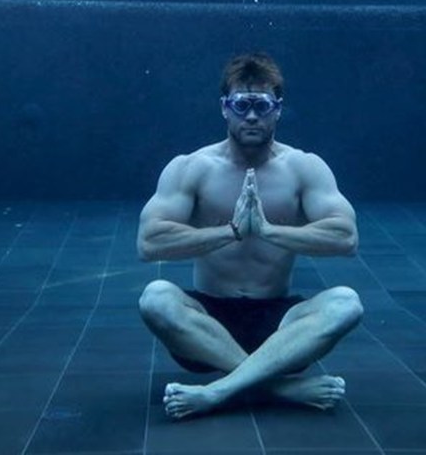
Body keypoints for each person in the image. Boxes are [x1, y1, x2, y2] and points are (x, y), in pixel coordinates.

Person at [137, 52, 363, 419]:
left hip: (279, 326)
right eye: (242, 105)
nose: (252, 116)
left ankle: (220, 390)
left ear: (278, 109)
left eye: (262, 105)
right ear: (224, 108)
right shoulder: (191, 168)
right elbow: (149, 242)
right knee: (155, 298)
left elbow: (346, 237)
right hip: (207, 322)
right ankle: (279, 388)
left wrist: (270, 231)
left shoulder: (304, 167)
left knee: (346, 303)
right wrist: (230, 232)